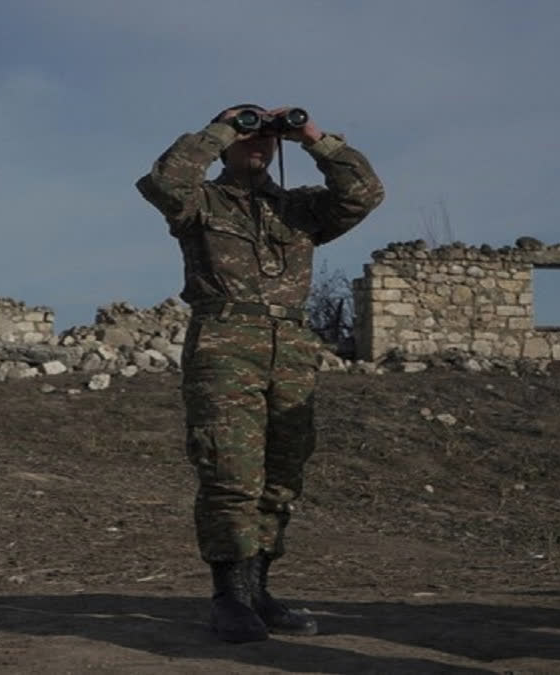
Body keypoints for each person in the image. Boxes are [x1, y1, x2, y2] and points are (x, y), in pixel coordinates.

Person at [135, 104, 384, 643]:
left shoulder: (298, 209)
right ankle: (229, 597)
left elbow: (363, 193)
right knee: (230, 471)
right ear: (225, 144)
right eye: (248, 135)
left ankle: (259, 590)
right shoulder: (200, 202)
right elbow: (164, 181)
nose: (258, 143)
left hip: (292, 348)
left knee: (282, 477)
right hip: (225, 344)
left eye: (266, 137)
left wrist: (311, 137)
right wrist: (223, 126)